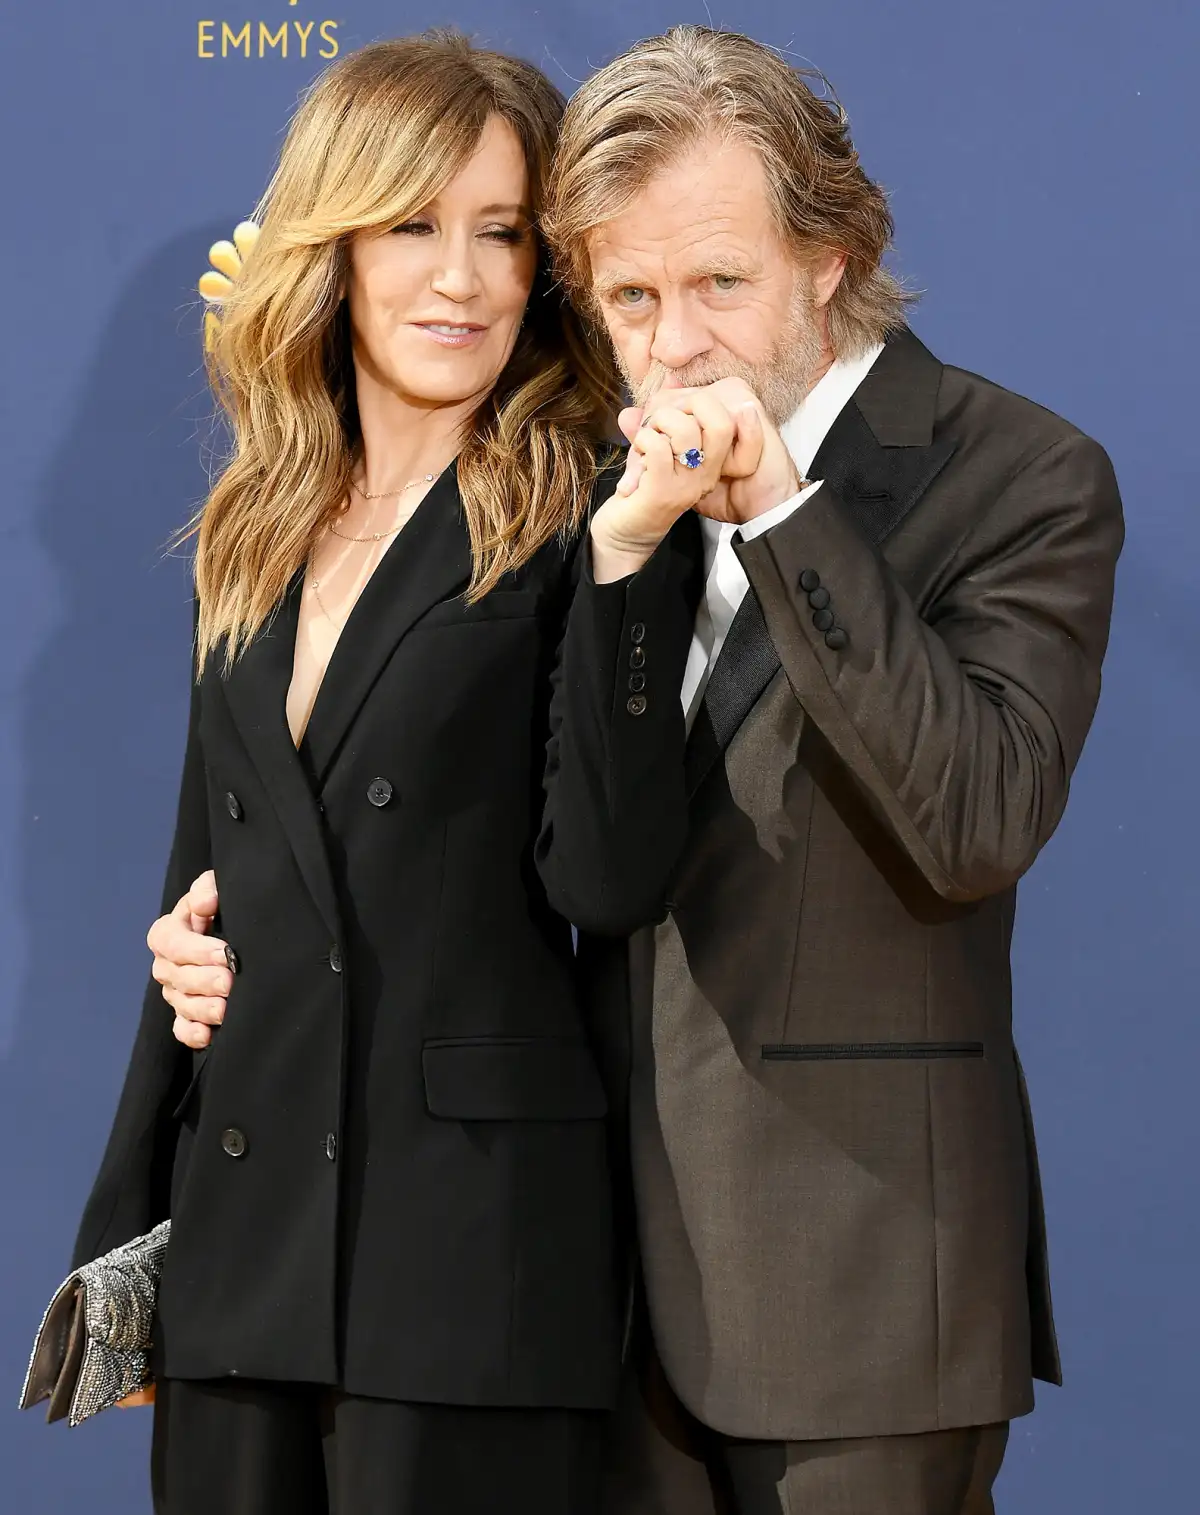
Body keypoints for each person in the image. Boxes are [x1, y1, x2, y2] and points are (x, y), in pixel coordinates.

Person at [150, 24, 1125, 1515]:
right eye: (631, 298)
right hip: (581, 1300)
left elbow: (978, 818)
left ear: (833, 256)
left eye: (720, 283)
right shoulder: (584, 482)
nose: (676, 345)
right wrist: (227, 939)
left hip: (856, 1293)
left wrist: (786, 514)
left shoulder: (1019, 475)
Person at [72, 32, 638, 1515]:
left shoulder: (591, 509)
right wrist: (127, 1220)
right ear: (333, 248)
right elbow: (196, 889)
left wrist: (633, 564)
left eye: (501, 233)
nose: (460, 278)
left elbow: (611, 869)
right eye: (411, 225)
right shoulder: (253, 529)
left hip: (468, 1252)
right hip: (243, 1233)